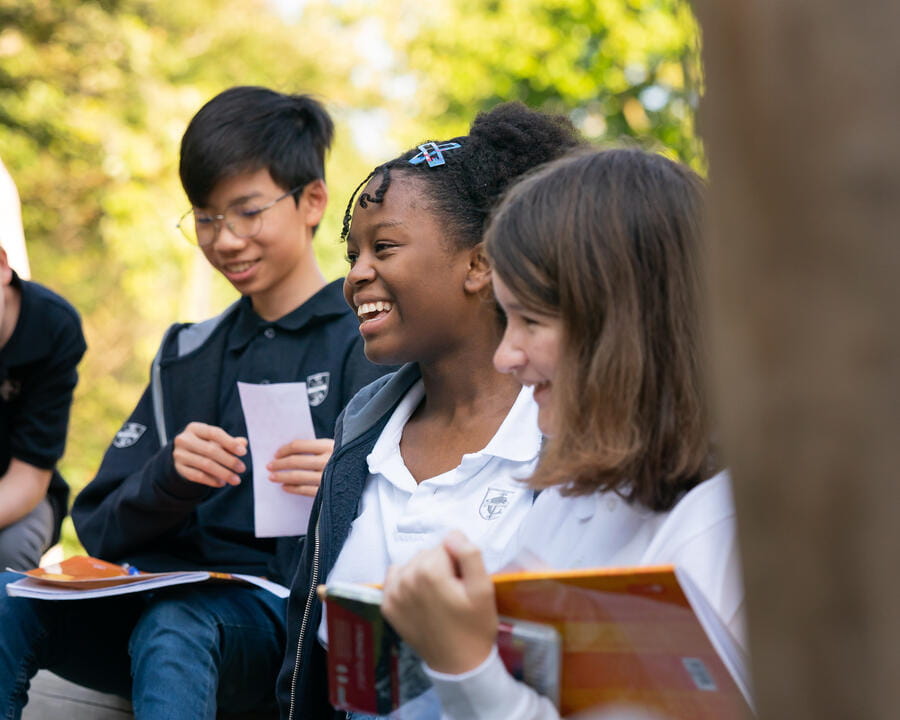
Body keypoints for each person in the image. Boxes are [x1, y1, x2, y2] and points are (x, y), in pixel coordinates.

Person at [0, 86, 390, 720]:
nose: (225, 239)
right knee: (8, 595)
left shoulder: (368, 342)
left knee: (178, 625)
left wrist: (345, 483)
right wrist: (169, 479)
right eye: (206, 217)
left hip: (276, 625)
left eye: (246, 211)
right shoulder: (188, 351)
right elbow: (99, 525)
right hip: (149, 604)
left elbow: (424, 516)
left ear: (312, 201)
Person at [379, 148, 745, 719]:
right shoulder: (577, 494)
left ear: (625, 326)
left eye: (532, 321)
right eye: (507, 319)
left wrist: (466, 665)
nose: (507, 356)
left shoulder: (721, 527)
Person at [276, 102, 583, 719]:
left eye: (383, 247)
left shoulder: (570, 440)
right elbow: (306, 664)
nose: (356, 276)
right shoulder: (360, 441)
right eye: (352, 254)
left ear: (480, 263)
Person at [0, 243, 85, 570]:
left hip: (20, 492)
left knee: (11, 550)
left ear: (3, 266)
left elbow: (29, 477)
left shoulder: (52, 326)